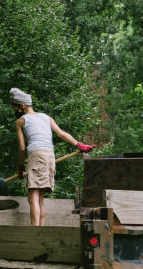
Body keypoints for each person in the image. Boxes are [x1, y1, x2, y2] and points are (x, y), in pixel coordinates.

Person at [10, 88, 94, 226]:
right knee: (40, 197)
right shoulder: (46, 117)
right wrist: (79, 145)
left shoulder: (21, 121)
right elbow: (62, 134)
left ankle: (34, 231)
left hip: (36, 156)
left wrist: (21, 166)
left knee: (33, 196)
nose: (15, 109)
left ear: (22, 105)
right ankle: (40, 230)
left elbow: (22, 148)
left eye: (15, 106)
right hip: (49, 156)